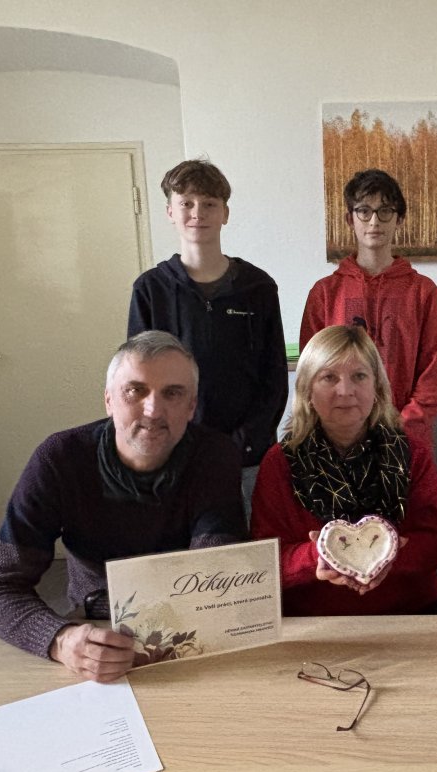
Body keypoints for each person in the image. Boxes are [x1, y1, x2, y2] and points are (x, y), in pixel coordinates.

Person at [0, 331, 248, 682]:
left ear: (191, 407)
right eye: (135, 390)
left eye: (172, 393)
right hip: (95, 630)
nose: (153, 410)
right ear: (108, 400)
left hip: (191, 630)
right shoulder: (60, 459)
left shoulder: (215, 456)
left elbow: (213, 576)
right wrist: (59, 640)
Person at [251, 325, 437, 616]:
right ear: (307, 390)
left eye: (359, 376)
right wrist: (320, 555)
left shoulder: (412, 455)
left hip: (411, 611)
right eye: (329, 377)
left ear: (377, 388)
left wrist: (387, 555)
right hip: (315, 619)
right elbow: (264, 561)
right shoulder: (279, 463)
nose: (345, 391)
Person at [128, 158, 288, 517]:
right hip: (175, 456)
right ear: (170, 211)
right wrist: (172, 440)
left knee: (252, 547)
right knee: (186, 548)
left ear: (225, 213)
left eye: (209, 204)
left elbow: (274, 377)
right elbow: (138, 381)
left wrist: (243, 444)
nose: (197, 213)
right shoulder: (150, 290)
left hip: (248, 460)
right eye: (186, 203)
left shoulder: (258, 288)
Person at [300, 168, 437, 444]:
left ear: (399, 219)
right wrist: (340, 426)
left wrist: (400, 427)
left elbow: (434, 375)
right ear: (350, 219)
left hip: (405, 439)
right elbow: (311, 373)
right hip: (340, 439)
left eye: (385, 211)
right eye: (364, 211)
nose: (374, 221)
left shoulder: (423, 292)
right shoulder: (325, 293)